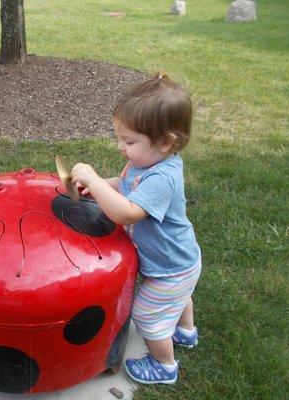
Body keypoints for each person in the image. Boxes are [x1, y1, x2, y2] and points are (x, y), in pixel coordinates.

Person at [71, 74, 201, 384]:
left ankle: (164, 365)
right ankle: (185, 332)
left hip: (170, 269)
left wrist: (93, 181)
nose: (120, 147)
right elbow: (126, 186)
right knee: (179, 299)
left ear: (166, 142)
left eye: (129, 141)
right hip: (180, 261)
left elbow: (126, 213)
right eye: (119, 138)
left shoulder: (162, 178)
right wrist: (100, 185)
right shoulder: (145, 163)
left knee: (147, 315)